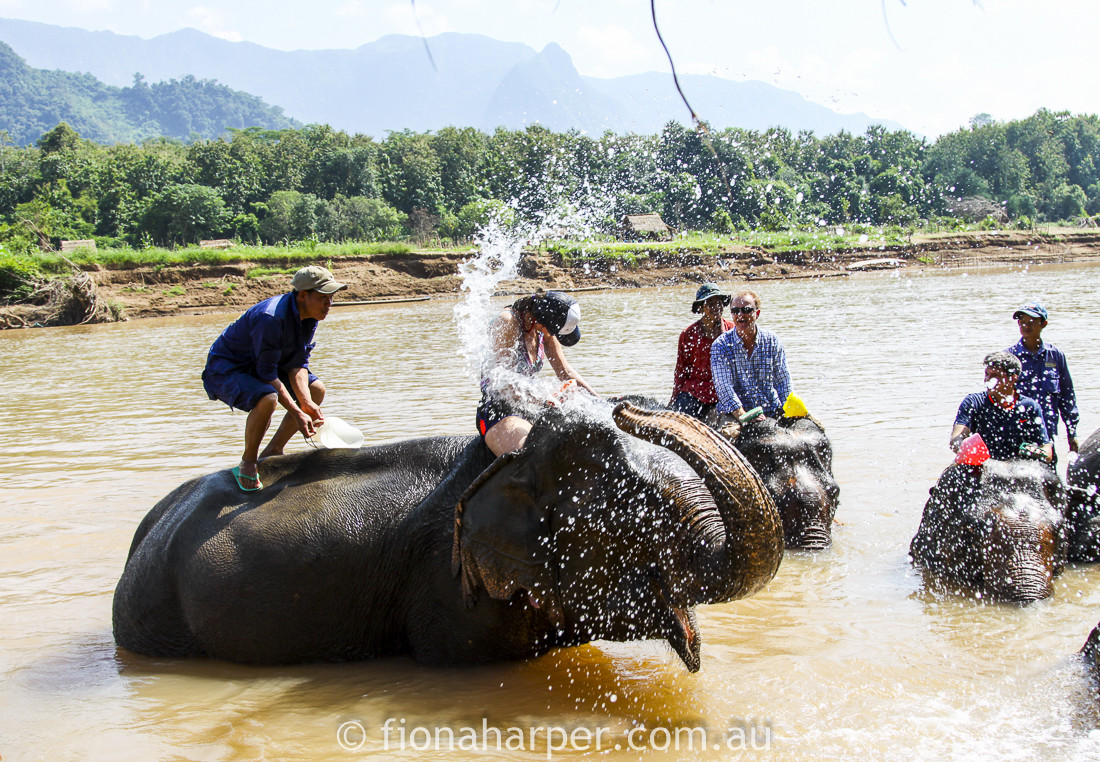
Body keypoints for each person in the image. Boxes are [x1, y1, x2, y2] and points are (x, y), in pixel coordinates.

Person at [201, 265, 347, 491]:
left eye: (331, 298)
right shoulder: (270, 318)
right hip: (228, 369)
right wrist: (298, 413)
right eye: (323, 298)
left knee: (316, 390)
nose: (329, 304)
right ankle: (248, 462)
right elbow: (266, 375)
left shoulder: (310, 315)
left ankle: (273, 451)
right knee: (267, 397)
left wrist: (306, 403)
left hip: (266, 364)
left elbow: (298, 365)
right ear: (302, 295)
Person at [476, 290, 598, 456]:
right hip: (498, 413)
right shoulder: (508, 322)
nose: (553, 335)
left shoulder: (543, 329)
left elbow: (566, 372)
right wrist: (547, 399)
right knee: (534, 457)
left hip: (530, 408)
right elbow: (503, 385)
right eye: (554, 331)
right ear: (541, 321)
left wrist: (599, 403)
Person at [1005, 300, 1079, 459]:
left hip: (1047, 433)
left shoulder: (1055, 356)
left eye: (1031, 322)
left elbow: (1067, 396)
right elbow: (997, 396)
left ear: (1043, 324)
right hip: (1017, 431)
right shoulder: (1009, 357)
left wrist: (1072, 433)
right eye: (1021, 322)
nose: (1025, 326)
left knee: (1050, 477)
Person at [949, 351, 1052, 462]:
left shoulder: (1029, 406)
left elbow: (1047, 451)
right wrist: (961, 445)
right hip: (984, 463)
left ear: (1012, 379)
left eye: (995, 376)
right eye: (987, 374)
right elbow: (957, 437)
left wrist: (1035, 452)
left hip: (1018, 466)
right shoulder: (973, 402)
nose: (987, 380)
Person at [710, 289, 792, 425]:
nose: (740, 314)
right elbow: (724, 389)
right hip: (735, 413)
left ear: (757, 313)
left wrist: (788, 411)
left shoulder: (772, 341)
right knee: (729, 436)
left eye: (746, 310)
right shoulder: (721, 345)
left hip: (771, 409)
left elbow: (784, 383)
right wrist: (744, 416)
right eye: (736, 311)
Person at [669, 283, 734, 425]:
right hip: (694, 392)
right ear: (700, 308)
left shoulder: (732, 330)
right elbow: (681, 370)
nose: (716, 307)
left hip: (723, 392)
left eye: (719, 303)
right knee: (676, 425)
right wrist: (674, 399)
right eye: (710, 304)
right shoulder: (688, 334)